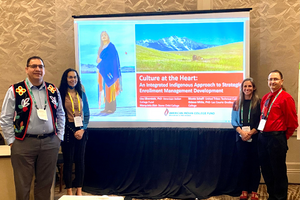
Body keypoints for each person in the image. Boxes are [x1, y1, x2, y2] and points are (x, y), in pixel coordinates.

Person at [0, 56, 65, 200]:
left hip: (50, 142)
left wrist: (59, 136)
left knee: (45, 185)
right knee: (22, 185)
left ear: (44, 70)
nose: (37, 69)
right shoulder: (16, 90)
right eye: (34, 66)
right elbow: (5, 118)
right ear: (27, 69)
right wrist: (12, 141)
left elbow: (61, 114)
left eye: (41, 66)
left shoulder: (52, 89)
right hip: (23, 143)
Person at [258, 70, 298, 200]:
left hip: (276, 138)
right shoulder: (265, 98)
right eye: (270, 79)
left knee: (278, 171)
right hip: (263, 138)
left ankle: (280, 198)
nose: (272, 82)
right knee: (266, 170)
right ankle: (271, 196)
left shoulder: (286, 98)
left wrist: (281, 138)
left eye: (275, 79)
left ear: (281, 81)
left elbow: (292, 122)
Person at [59, 68, 90, 196]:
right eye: (70, 77)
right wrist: (72, 130)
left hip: (81, 129)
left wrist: (82, 130)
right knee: (68, 161)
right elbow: (58, 115)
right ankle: (69, 191)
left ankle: (79, 190)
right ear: (66, 79)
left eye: (75, 77)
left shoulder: (81, 93)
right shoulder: (60, 94)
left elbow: (87, 114)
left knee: (80, 161)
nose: (73, 80)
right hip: (67, 129)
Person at [231, 78, 261, 200]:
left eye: (249, 86)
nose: (247, 89)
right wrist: (242, 133)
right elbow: (233, 121)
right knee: (243, 164)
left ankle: (254, 190)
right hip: (241, 138)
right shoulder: (237, 102)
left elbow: (261, 120)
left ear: (253, 88)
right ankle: (244, 190)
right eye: (245, 86)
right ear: (242, 88)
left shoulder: (259, 102)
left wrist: (251, 133)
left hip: (255, 137)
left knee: (254, 164)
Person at [96, 31, 122, 113]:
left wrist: (103, 61)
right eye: (102, 35)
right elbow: (97, 60)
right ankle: (107, 108)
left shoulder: (111, 46)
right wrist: (99, 60)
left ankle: (112, 108)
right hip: (102, 71)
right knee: (105, 89)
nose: (103, 36)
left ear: (108, 36)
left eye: (105, 35)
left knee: (111, 89)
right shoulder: (101, 48)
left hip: (110, 71)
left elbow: (114, 59)